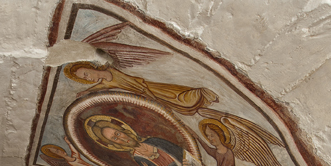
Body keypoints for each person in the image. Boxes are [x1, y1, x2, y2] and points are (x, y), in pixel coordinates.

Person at [84, 115, 202, 166]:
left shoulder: (153, 141)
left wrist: (186, 163)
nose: (122, 139)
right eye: (115, 139)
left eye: (118, 134)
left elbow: (182, 153)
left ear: (123, 130)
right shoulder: (138, 159)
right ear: (114, 144)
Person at [65, 62, 219, 116]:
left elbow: (137, 75)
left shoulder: (112, 67)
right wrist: (86, 92)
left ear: (91, 67)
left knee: (178, 97)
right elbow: (96, 88)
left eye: (86, 74)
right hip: (147, 93)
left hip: (151, 86)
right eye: (84, 78)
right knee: (177, 106)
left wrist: (150, 93)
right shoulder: (105, 83)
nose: (88, 78)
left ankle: (204, 94)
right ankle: (203, 104)